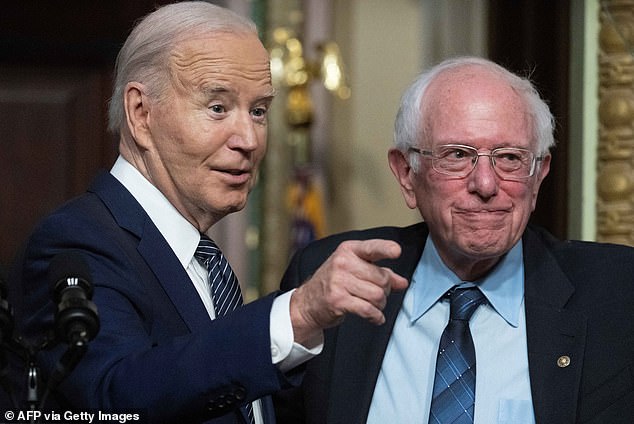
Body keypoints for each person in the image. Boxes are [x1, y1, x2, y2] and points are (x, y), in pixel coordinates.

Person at [8, 2, 407, 423]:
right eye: (218, 107)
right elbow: (116, 402)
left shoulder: (204, 260)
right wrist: (297, 314)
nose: (249, 140)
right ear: (141, 113)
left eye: (258, 111)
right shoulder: (76, 243)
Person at [275, 56, 634, 424]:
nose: (485, 185)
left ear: (537, 176)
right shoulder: (334, 278)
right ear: (406, 174)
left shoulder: (616, 294)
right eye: (458, 155)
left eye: (509, 158)